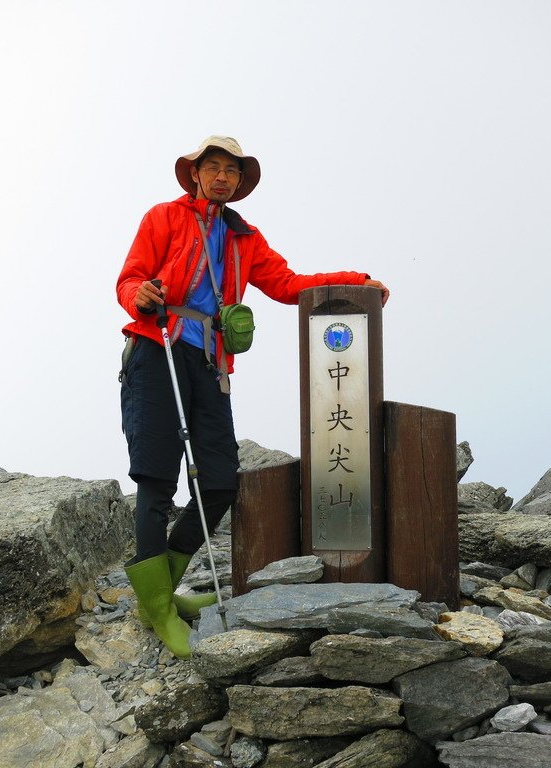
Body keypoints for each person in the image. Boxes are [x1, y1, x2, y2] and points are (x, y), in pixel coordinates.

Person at [115, 135, 389, 658]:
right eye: (212, 167)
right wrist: (140, 294)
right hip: (158, 348)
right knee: (155, 477)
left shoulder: (245, 238)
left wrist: (357, 283)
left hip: (211, 364)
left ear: (239, 183)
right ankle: (156, 607)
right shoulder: (163, 218)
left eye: (231, 171)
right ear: (195, 174)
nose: (221, 177)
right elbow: (129, 279)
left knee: (219, 482)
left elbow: (289, 285)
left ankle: (162, 592)